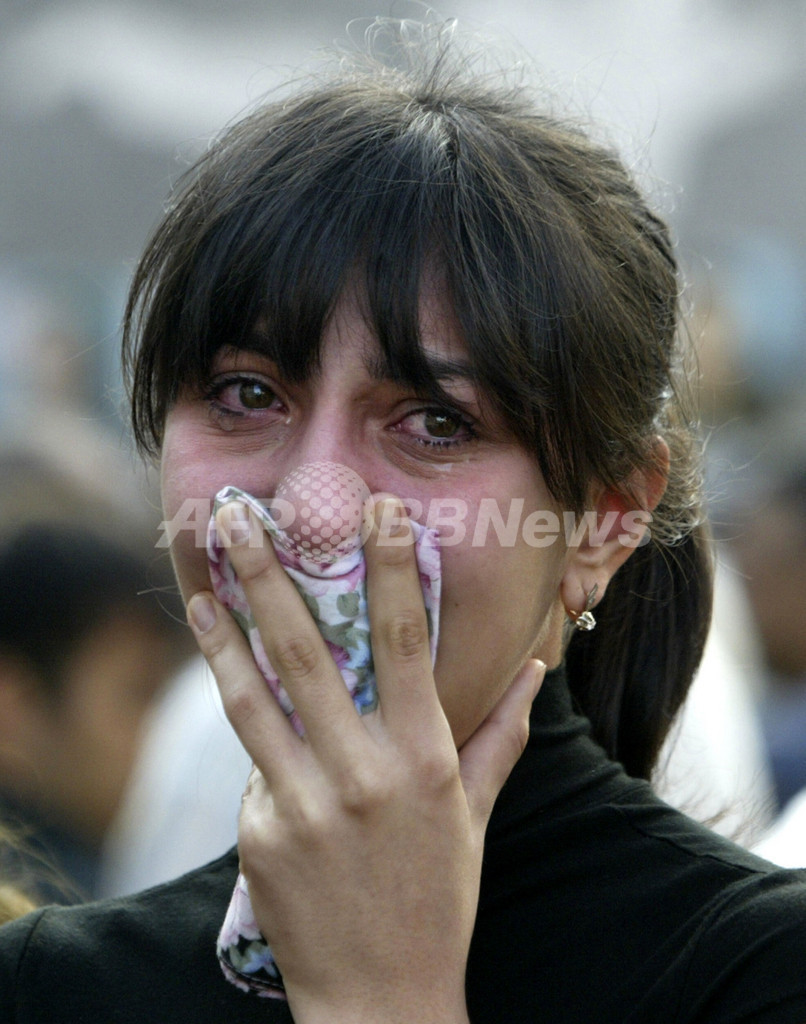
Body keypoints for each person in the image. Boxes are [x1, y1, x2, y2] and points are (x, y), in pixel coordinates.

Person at [2, 22, 806, 1023]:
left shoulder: (755, 972)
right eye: (246, 393)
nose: (311, 509)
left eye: (434, 420)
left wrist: (381, 998)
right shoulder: (51, 988)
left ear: (604, 518)